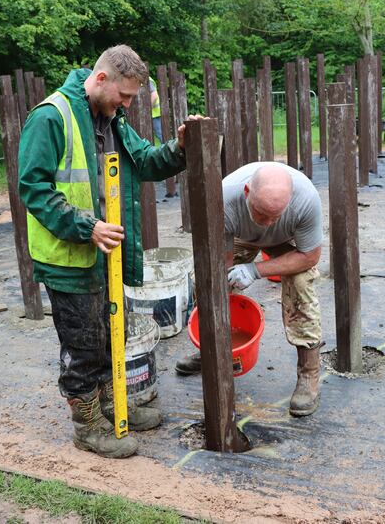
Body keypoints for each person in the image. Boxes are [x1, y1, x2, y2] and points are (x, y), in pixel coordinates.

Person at [18, 45, 197, 458]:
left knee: (108, 336)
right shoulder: (50, 116)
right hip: (68, 259)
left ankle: (113, 405)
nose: (129, 105)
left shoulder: (110, 118)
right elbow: (33, 189)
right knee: (84, 345)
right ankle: (87, 426)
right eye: (125, 96)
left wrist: (180, 148)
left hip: (103, 254)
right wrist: (87, 226)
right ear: (100, 80)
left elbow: (147, 162)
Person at [175, 162, 324, 417]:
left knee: (301, 286)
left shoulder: (306, 199)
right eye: (260, 213)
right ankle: (212, 350)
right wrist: (227, 278)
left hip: (287, 241)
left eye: (274, 216)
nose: (266, 223)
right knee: (210, 279)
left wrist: (255, 271)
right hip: (239, 235)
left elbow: (309, 256)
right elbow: (222, 259)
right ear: (247, 192)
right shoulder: (222, 198)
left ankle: (309, 374)